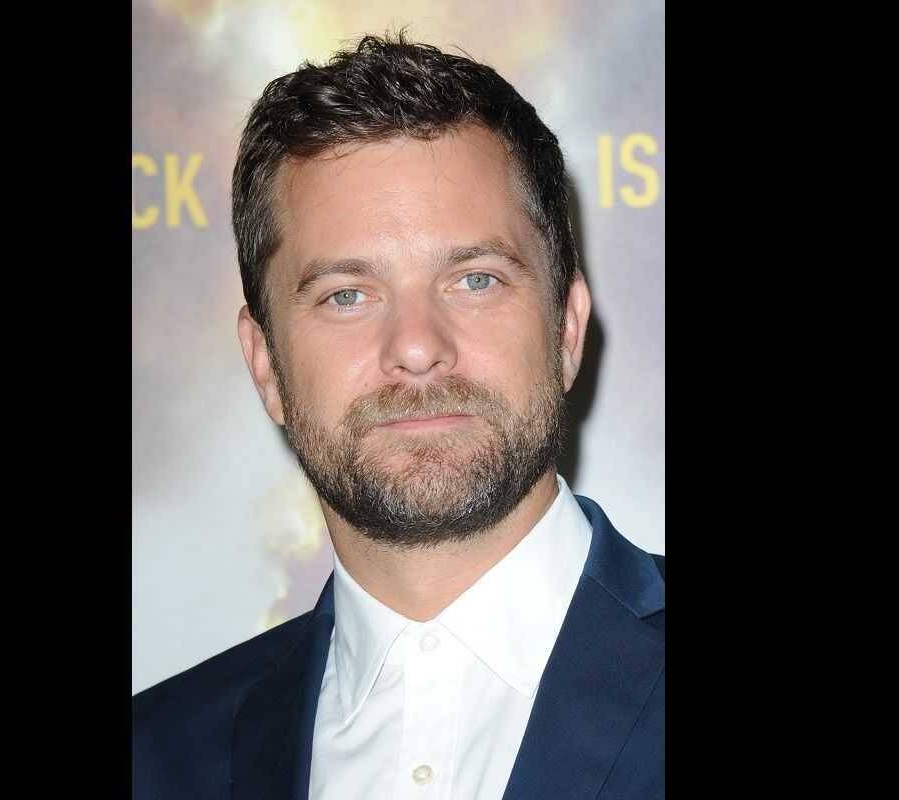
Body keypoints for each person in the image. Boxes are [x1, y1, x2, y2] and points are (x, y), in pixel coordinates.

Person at [132, 33, 664, 800]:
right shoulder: (156, 759)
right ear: (265, 364)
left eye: (475, 280)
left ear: (568, 329)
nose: (416, 348)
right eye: (347, 295)